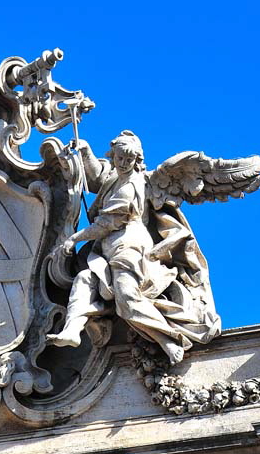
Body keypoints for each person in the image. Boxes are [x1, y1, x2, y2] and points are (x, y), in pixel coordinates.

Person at [50, 131, 219, 364]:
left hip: (128, 249)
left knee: (127, 301)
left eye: (128, 160)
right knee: (84, 280)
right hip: (106, 250)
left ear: (137, 160)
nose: (122, 163)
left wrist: (74, 239)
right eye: (118, 158)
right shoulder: (116, 176)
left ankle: (169, 338)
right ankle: (72, 330)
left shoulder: (133, 184)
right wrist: (86, 151)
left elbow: (108, 223)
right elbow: (98, 178)